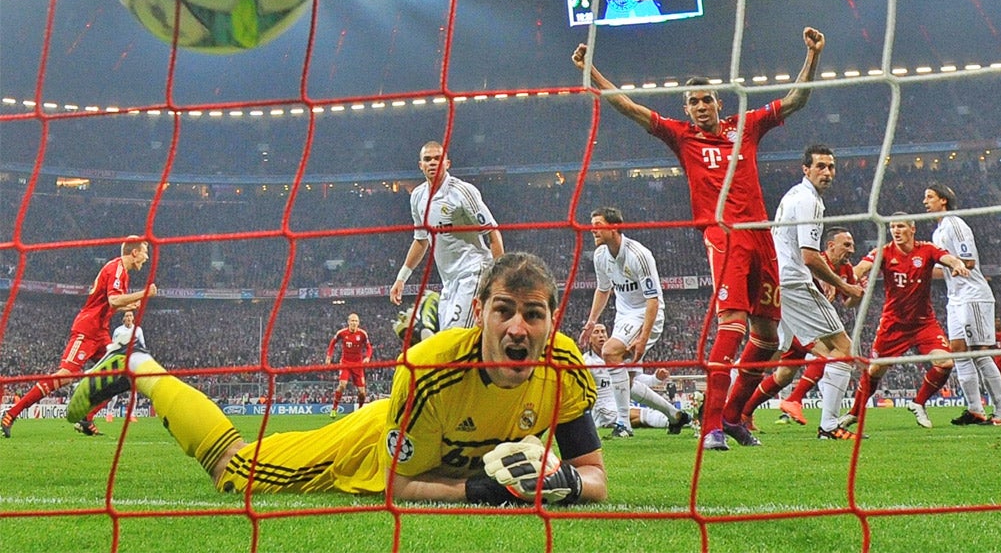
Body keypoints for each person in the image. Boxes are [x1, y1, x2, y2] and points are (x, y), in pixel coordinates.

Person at [65, 252, 608, 505]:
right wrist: (480, 491)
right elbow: (396, 485)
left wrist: (570, 485)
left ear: (551, 321)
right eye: (504, 310)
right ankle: (138, 367)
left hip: (428, 448)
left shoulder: (566, 371)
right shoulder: (432, 370)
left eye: (533, 314)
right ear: (480, 312)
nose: (518, 326)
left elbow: (596, 478)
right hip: (369, 447)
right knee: (233, 473)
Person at [572, 26, 826, 451]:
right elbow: (630, 107)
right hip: (723, 235)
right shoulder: (680, 135)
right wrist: (592, 72)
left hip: (761, 234)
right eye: (693, 102)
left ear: (718, 103)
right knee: (732, 325)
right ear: (686, 109)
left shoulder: (745, 127)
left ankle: (732, 417)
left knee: (767, 337)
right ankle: (710, 427)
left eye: (707, 99)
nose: (701, 106)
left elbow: (798, 99)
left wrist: (813, 56)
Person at [1, 236, 156, 438]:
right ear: (134, 252)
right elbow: (114, 299)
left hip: (100, 332)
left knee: (123, 374)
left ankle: (87, 419)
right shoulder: (117, 269)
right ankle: (11, 414)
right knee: (65, 375)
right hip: (87, 330)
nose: (146, 257)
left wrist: (129, 306)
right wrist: (144, 293)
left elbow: (109, 304)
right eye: (145, 252)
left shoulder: (122, 273)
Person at [766, 146, 863, 440]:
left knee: (772, 351)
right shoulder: (809, 201)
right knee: (843, 349)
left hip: (777, 279)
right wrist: (844, 285)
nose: (827, 172)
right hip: (794, 281)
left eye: (831, 167)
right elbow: (809, 256)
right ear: (805, 169)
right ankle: (830, 426)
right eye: (820, 166)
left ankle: (728, 414)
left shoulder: (794, 195)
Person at [839, 216, 969, 431]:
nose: (896, 231)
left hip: (924, 323)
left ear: (912, 228)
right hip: (893, 324)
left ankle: (918, 403)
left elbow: (948, 258)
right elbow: (861, 267)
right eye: (892, 227)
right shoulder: (885, 251)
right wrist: (847, 279)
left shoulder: (926, 249)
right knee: (875, 371)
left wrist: (958, 265)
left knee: (945, 364)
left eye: (900, 226)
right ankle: (854, 414)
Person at [579, 207, 688, 437]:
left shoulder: (639, 255)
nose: (593, 230)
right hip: (624, 316)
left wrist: (642, 339)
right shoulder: (600, 256)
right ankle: (675, 416)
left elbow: (653, 301)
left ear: (615, 227)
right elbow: (603, 289)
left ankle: (623, 425)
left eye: (598, 225)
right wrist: (591, 322)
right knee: (626, 380)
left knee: (609, 351)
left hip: (647, 314)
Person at [390, 141, 504, 337]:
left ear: (447, 163)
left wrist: (501, 278)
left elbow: (492, 233)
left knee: (454, 339)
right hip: (449, 283)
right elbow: (421, 240)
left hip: (474, 273)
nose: (433, 163)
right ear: (420, 165)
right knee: (450, 341)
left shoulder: (462, 192)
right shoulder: (417, 197)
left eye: (438, 158)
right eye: (427, 159)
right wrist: (401, 278)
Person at [923, 183, 1001, 425]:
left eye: (929, 197)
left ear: (943, 200)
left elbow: (968, 261)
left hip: (973, 295)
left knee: (980, 353)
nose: (925, 202)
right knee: (959, 352)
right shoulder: (937, 232)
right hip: (955, 298)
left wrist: (936, 269)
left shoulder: (955, 224)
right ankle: (975, 409)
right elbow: (947, 269)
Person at [772, 227, 859, 425]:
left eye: (852, 245)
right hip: (799, 315)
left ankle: (741, 412)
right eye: (846, 245)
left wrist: (856, 292)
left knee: (778, 368)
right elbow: (805, 266)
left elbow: (848, 302)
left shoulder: (846, 269)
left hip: (809, 320)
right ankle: (799, 404)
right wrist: (828, 281)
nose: (852, 249)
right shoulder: (814, 260)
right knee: (837, 352)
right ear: (830, 246)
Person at [581, 321, 689, 435]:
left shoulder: (618, 356)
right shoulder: (586, 362)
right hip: (603, 408)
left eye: (603, 331)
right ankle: (683, 420)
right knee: (641, 415)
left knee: (641, 416)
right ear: (589, 339)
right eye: (596, 332)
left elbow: (634, 383)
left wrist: (655, 378)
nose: (601, 335)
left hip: (622, 403)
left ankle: (680, 418)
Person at [325, 312, 373, 416]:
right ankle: (334, 408)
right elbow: (332, 343)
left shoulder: (362, 334)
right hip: (345, 363)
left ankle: (360, 409)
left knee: (362, 392)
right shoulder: (342, 333)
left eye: (356, 321)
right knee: (342, 385)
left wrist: (368, 357)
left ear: (358, 323)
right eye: (352, 321)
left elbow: (369, 347)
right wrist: (329, 356)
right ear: (348, 322)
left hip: (358, 365)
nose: (354, 323)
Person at [105, 309, 146, 422]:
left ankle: (131, 414)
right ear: (123, 318)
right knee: (115, 389)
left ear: (133, 318)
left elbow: (143, 346)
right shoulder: (118, 331)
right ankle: (109, 413)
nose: (128, 318)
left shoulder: (138, 330)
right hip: (120, 363)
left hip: (132, 363)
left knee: (133, 391)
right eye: (126, 315)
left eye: (130, 315)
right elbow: (113, 347)